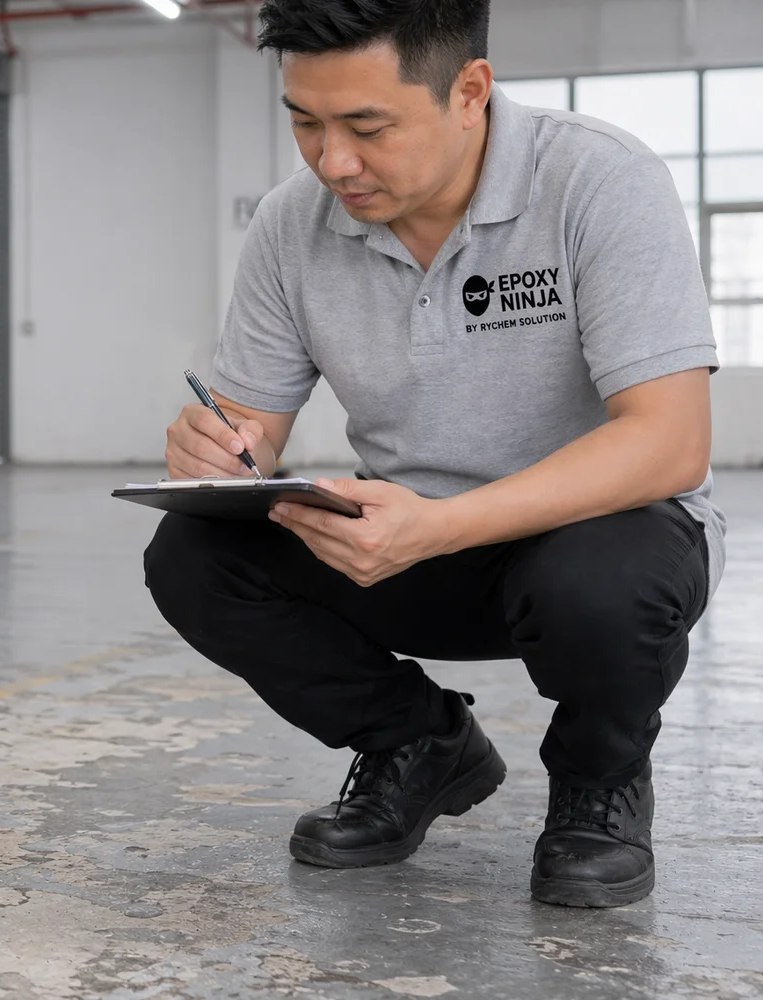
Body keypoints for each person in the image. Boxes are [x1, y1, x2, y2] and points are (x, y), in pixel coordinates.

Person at [145, 0, 719, 908]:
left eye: (367, 127)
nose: (333, 161)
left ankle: (597, 784)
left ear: (470, 92)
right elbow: (249, 432)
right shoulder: (295, 226)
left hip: (593, 539)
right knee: (193, 554)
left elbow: (671, 441)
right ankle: (419, 745)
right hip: (411, 538)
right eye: (304, 122)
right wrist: (215, 448)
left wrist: (444, 525)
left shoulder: (597, 180)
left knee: (606, 581)